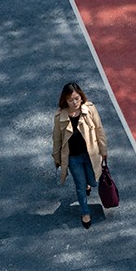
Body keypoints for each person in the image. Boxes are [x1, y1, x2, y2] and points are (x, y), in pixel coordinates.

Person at [52, 82, 108, 229]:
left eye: (77, 98)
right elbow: (56, 139)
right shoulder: (59, 117)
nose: (75, 102)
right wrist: (57, 158)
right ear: (65, 100)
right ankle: (85, 212)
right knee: (80, 185)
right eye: (71, 100)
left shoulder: (90, 109)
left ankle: (88, 185)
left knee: (92, 180)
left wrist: (103, 150)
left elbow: (99, 129)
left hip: (91, 155)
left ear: (81, 97)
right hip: (73, 158)